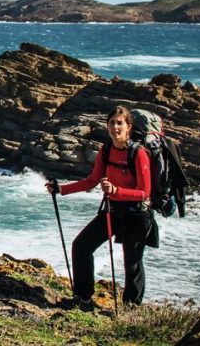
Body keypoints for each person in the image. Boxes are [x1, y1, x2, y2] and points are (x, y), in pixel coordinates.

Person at [46, 105, 152, 309]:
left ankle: (132, 309)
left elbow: (144, 192)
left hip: (137, 215)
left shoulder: (139, 153)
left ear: (128, 127)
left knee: (132, 263)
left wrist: (115, 191)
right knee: (81, 246)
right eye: (111, 123)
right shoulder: (106, 150)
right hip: (113, 211)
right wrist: (61, 189)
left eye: (119, 123)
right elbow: (91, 181)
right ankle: (83, 299)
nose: (115, 127)